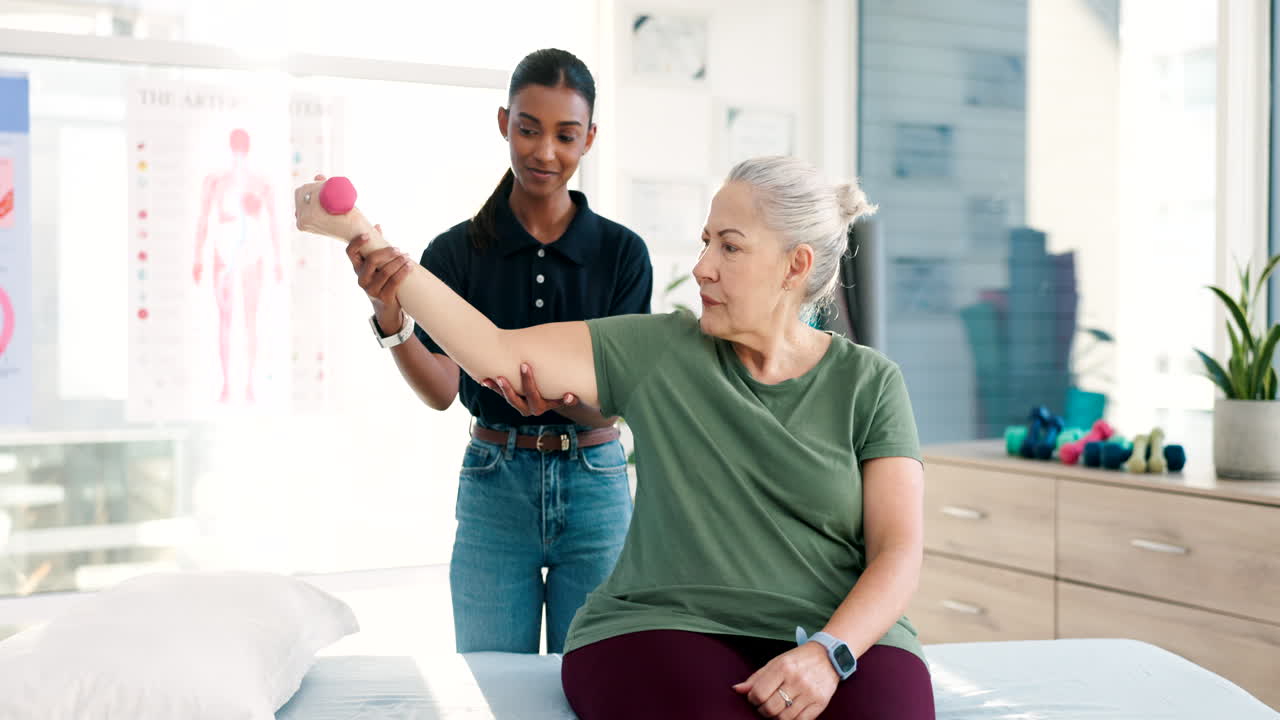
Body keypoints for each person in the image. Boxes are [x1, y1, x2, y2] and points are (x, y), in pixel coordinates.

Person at [295, 154, 933, 719]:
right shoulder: (660, 350)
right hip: (669, 625)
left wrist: (827, 653)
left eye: (730, 248)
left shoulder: (869, 383)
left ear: (794, 266)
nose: (703, 267)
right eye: (705, 242)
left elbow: (898, 550)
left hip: (835, 631)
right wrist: (363, 236)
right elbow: (493, 350)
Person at [336, 48, 652, 655]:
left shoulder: (622, 254)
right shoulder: (454, 254)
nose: (544, 151)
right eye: (529, 129)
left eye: (565, 135)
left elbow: (615, 403)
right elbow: (440, 390)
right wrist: (389, 313)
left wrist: (564, 401)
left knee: (591, 683)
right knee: (489, 688)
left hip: (596, 486)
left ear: (589, 139)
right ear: (504, 122)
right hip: (494, 484)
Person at [193, 128, 283, 404]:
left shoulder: (260, 183)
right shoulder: (216, 181)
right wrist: (197, 257)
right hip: (225, 250)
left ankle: (248, 385)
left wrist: (278, 259)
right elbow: (204, 220)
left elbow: (272, 223)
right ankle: (228, 385)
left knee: (248, 318)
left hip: (250, 251)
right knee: (229, 318)